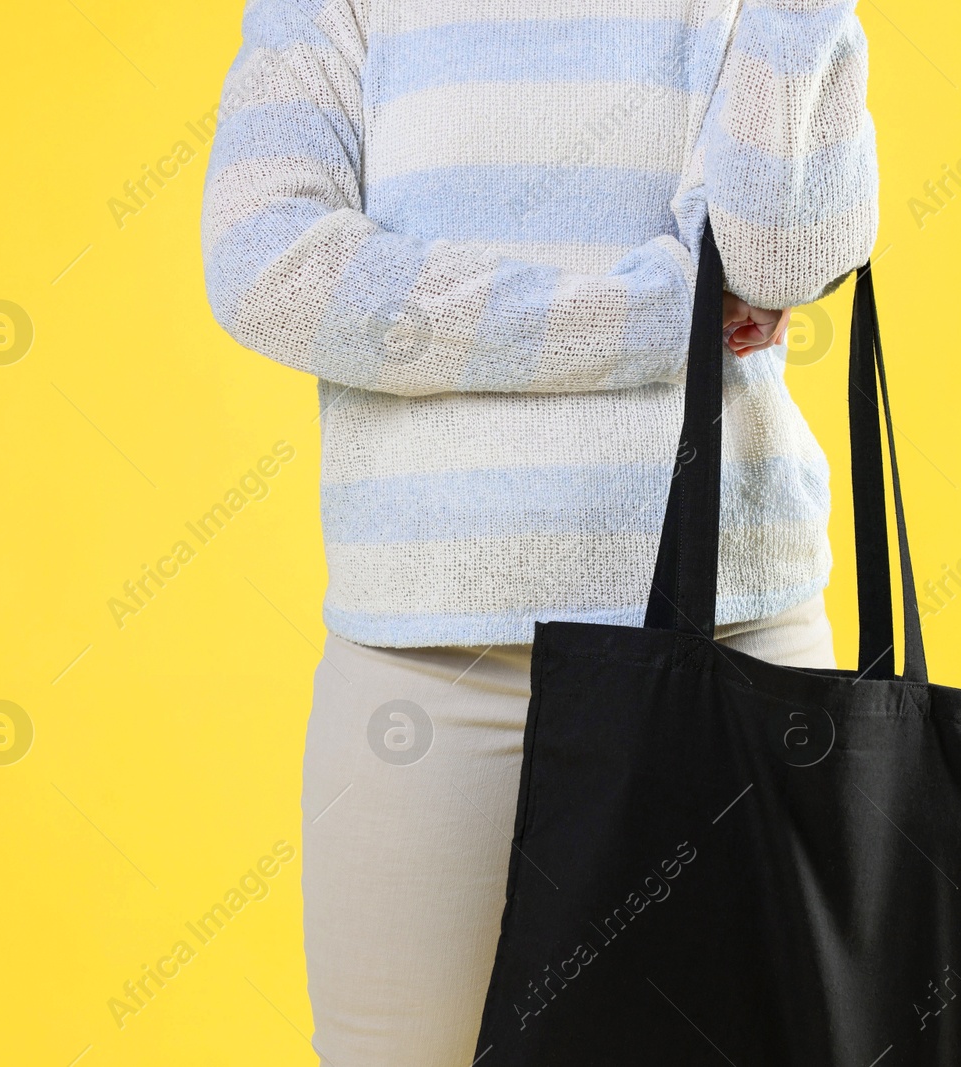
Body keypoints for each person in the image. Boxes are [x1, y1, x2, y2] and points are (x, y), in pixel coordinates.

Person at [200, 0, 879, 1060]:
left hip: (730, 637)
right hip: (428, 662)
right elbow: (271, 267)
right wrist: (647, 311)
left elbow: (782, 254)